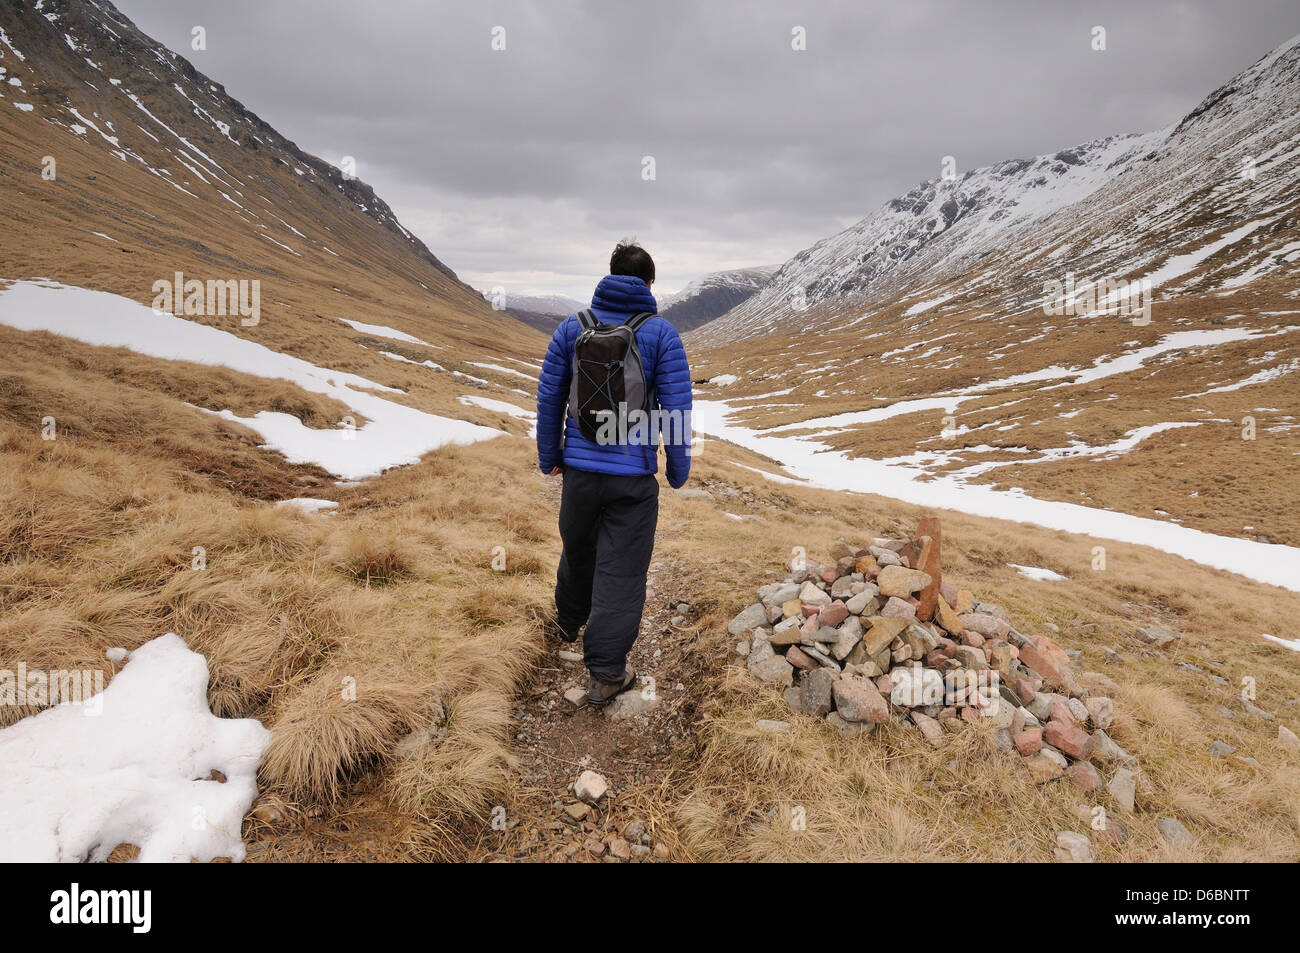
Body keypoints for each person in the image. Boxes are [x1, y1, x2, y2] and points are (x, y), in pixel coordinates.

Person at [535, 241, 693, 706]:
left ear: (608, 276)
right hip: (632, 479)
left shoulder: (572, 327)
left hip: (580, 471)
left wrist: (551, 457)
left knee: (578, 548)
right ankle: (605, 674)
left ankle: (567, 622)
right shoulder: (661, 334)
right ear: (648, 284)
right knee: (621, 571)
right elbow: (676, 408)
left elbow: (549, 399)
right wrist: (677, 469)